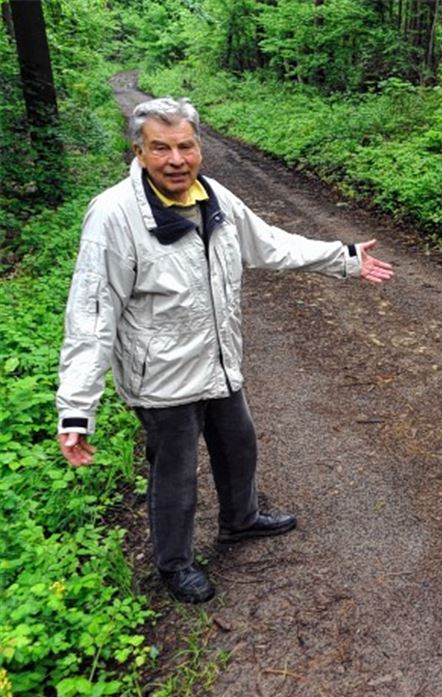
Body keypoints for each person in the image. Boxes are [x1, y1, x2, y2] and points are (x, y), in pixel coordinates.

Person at [55, 97, 394, 603]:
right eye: (161, 148)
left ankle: (241, 520)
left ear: (199, 148)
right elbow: (92, 313)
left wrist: (340, 258)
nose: (176, 159)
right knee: (175, 475)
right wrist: (77, 409)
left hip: (216, 363)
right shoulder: (114, 215)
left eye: (185, 146)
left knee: (239, 446)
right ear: (139, 151)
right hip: (161, 379)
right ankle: (175, 564)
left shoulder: (213, 196)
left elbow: (271, 244)